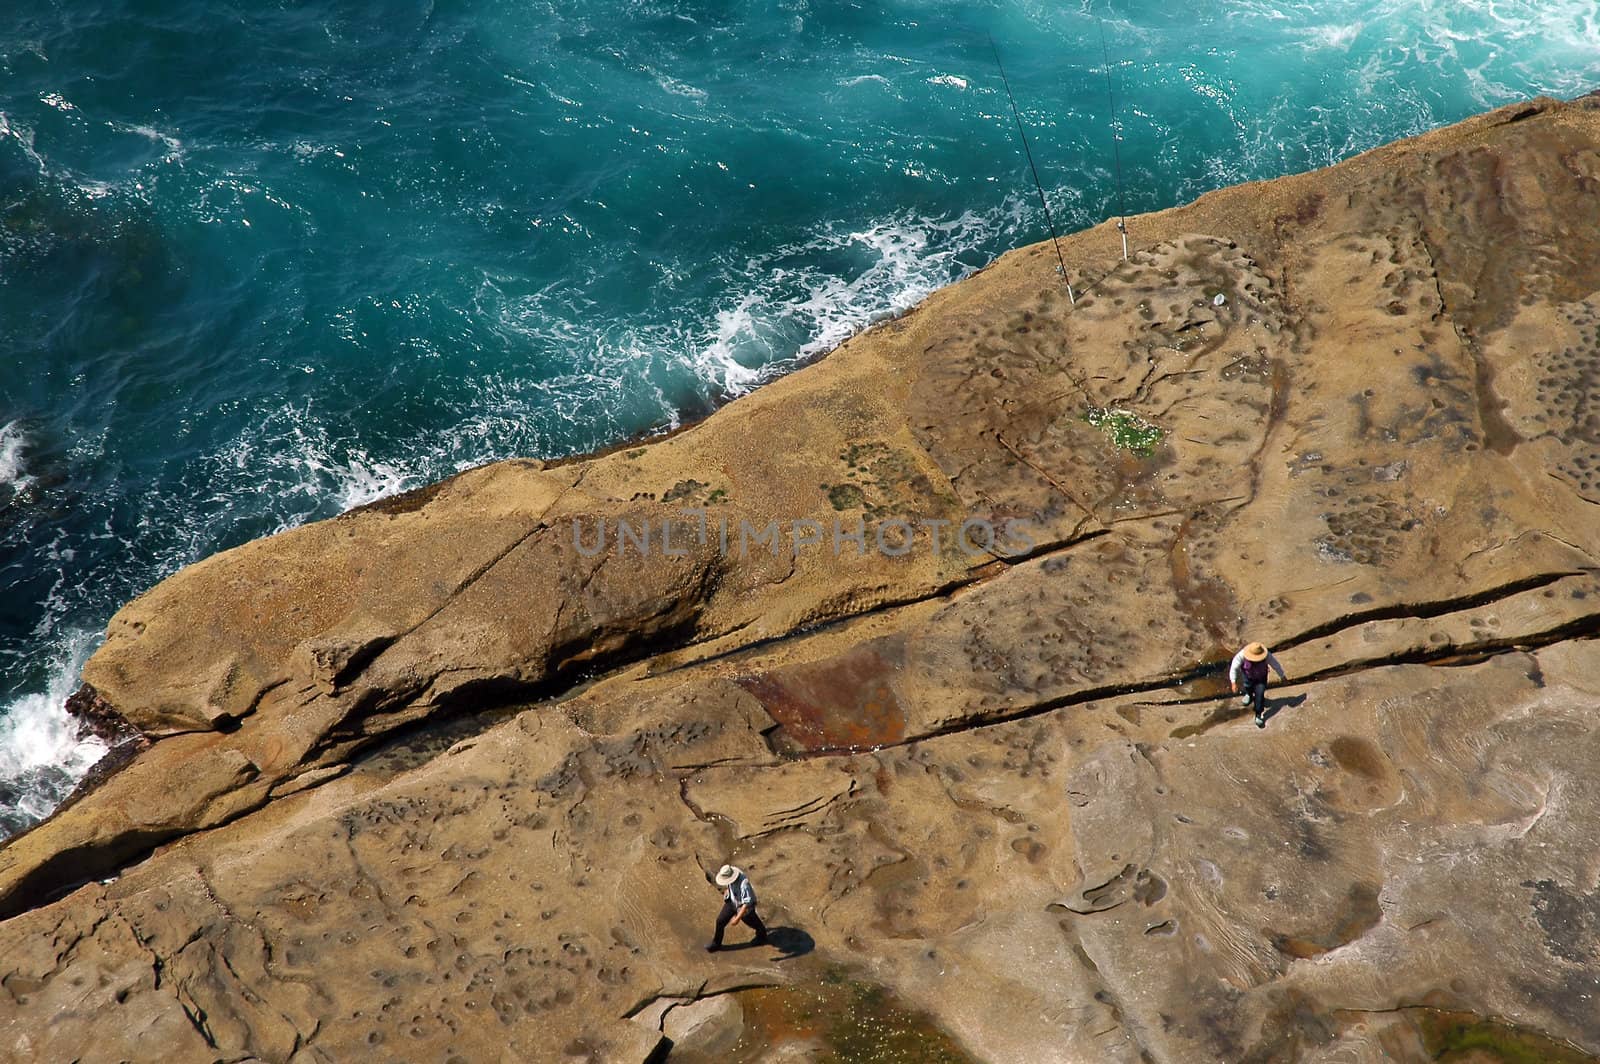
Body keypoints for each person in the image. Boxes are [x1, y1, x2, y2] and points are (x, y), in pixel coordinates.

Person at [706, 864, 768, 952]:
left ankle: (762, 936)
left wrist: (737, 918)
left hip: (745, 908)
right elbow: (728, 883)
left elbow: (746, 903)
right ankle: (716, 943)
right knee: (720, 921)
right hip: (732, 901)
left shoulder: (744, 884)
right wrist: (728, 891)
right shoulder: (731, 872)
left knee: (755, 924)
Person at [1229, 641, 1287, 728]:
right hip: (1248, 677)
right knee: (1247, 686)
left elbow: (1275, 664)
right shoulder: (1241, 655)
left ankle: (1258, 714)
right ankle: (1249, 695)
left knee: (1259, 695)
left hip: (1261, 679)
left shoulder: (1266, 655)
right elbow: (1234, 667)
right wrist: (1233, 682)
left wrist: (1282, 676)